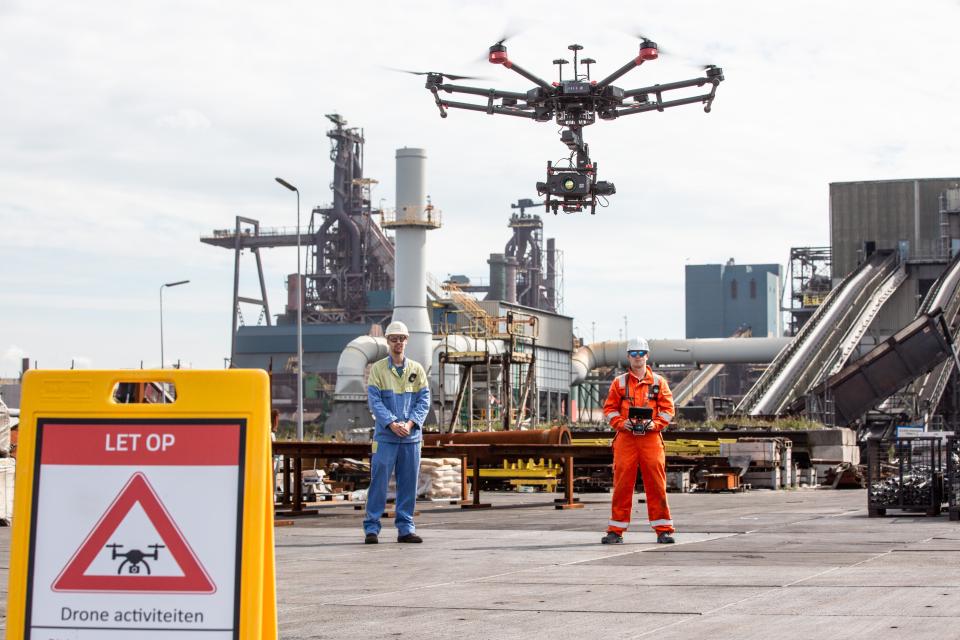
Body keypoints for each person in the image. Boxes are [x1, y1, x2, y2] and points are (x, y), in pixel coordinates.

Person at [601, 337, 677, 545]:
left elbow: (669, 410)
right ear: (628, 357)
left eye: (641, 353)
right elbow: (609, 409)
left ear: (647, 356)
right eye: (633, 353)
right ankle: (615, 530)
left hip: (651, 438)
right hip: (626, 438)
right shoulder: (620, 383)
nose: (637, 357)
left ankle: (663, 530)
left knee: (656, 483)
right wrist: (620, 422)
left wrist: (655, 424)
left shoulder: (659, 383)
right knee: (622, 484)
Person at [363, 320, 431, 544]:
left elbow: (424, 400)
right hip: (386, 437)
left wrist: (410, 424)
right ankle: (372, 528)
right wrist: (392, 423)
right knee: (379, 481)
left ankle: (405, 528)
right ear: (387, 341)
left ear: (407, 340)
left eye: (401, 339)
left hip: (410, 438)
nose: (398, 343)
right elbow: (375, 401)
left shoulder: (416, 369)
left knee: (409, 483)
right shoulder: (378, 370)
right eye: (394, 339)